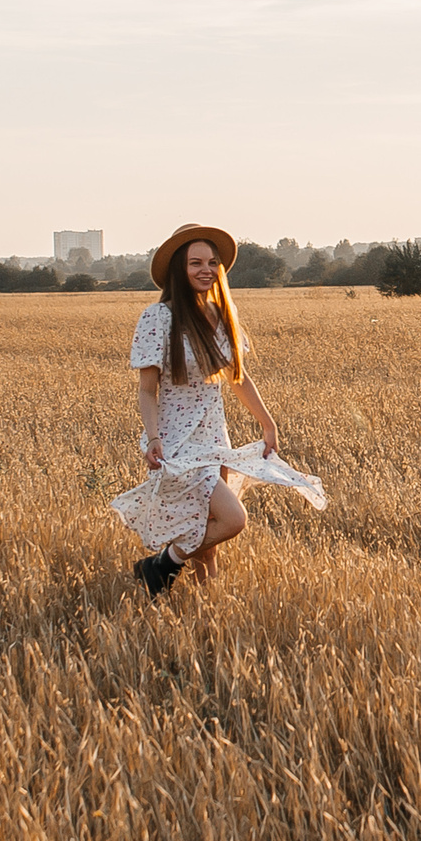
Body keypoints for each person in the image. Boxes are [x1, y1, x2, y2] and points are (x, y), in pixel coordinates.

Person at [112, 223, 326, 596]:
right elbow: (147, 389)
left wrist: (268, 423)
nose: (206, 270)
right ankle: (161, 565)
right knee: (233, 520)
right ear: (179, 268)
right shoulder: (158, 317)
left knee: (208, 542)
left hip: (215, 438)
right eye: (195, 263)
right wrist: (153, 437)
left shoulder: (222, 314)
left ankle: (205, 608)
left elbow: (238, 378)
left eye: (212, 262)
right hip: (178, 443)